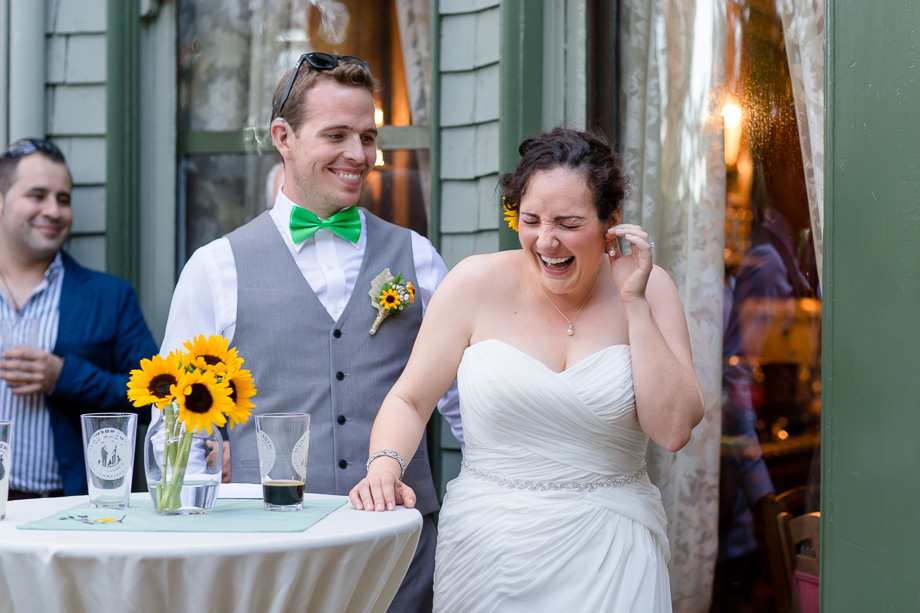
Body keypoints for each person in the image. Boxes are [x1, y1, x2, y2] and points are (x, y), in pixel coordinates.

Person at [350, 127, 704, 611]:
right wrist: (384, 467)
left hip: (614, 550)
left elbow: (674, 430)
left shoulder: (651, 288)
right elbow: (410, 400)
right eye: (531, 220)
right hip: (489, 551)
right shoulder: (474, 282)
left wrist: (635, 303)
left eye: (568, 223)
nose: (546, 241)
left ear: (612, 222)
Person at [160, 53, 461, 612]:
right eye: (337, 135)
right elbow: (175, 424)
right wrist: (195, 532)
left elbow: (466, 402)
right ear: (284, 137)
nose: (359, 155)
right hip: (268, 558)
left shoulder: (417, 257)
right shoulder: (216, 267)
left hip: (399, 552)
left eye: (367, 137)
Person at [0, 138, 158, 498]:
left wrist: (65, 377)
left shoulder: (109, 297)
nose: (54, 211)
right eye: (37, 196)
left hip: (66, 506)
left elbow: (155, 397)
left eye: (63, 199)